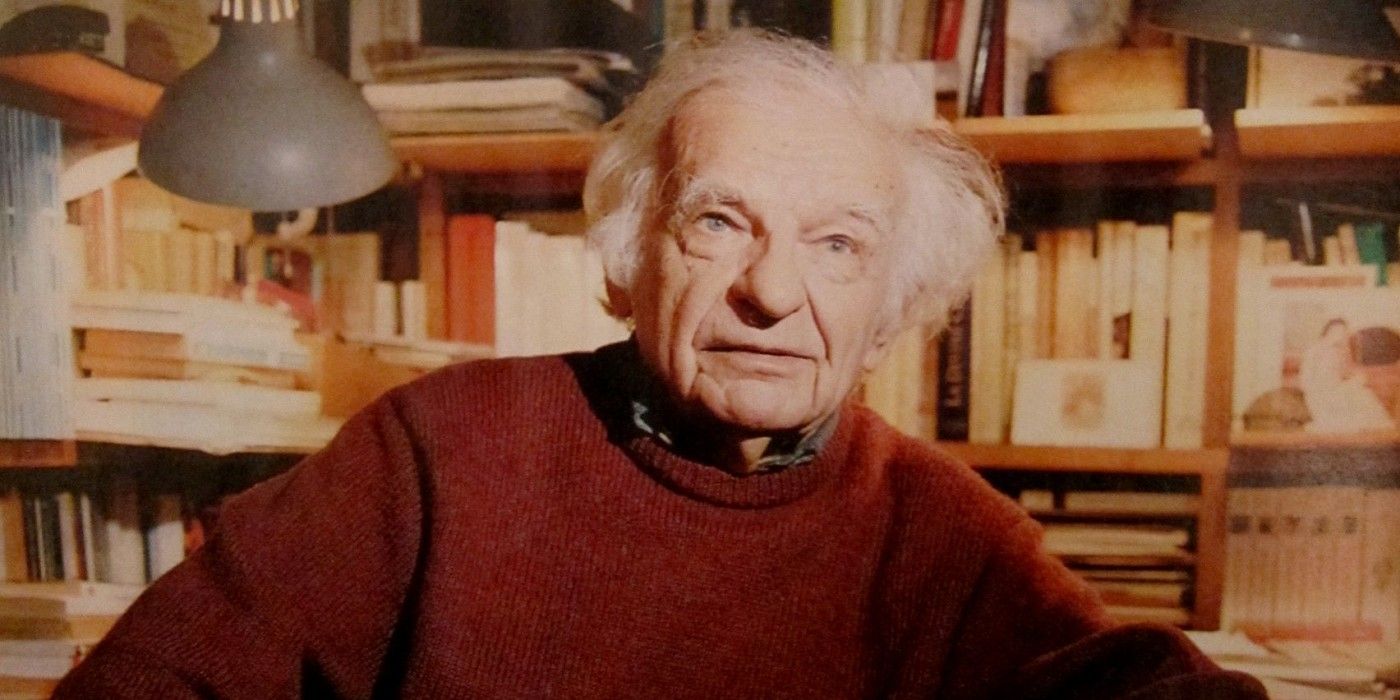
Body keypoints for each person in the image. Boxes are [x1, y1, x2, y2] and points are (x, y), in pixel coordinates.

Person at [57, 30, 1265, 699]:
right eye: (718, 222)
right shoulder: (438, 448)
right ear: (627, 260)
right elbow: (153, 683)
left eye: (837, 246)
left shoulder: (943, 534)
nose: (771, 291)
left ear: (889, 312)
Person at [1298, 317, 1392, 433]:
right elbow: (1306, 382)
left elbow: (1349, 374)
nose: (1340, 336)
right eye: (1336, 331)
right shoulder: (1314, 352)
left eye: (1344, 333)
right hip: (1322, 395)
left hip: (1338, 392)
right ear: (1326, 333)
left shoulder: (1343, 352)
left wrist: (1356, 379)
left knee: (1362, 394)